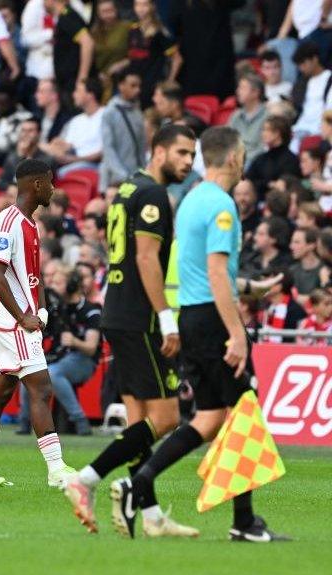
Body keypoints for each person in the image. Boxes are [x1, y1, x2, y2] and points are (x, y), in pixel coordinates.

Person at [113, 126, 289, 542]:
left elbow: (203, 269)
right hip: (213, 320)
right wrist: (237, 334)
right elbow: (214, 272)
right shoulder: (223, 206)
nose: (245, 162)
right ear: (231, 158)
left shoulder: (190, 199)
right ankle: (245, 523)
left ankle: (142, 481)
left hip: (191, 316)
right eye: (243, 155)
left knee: (210, 417)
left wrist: (250, 288)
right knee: (245, 408)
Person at [63, 124, 200, 536]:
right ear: (157, 152)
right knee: (167, 417)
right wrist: (167, 317)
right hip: (140, 318)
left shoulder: (126, 188)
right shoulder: (155, 195)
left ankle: (153, 516)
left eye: (192, 155)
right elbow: (146, 258)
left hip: (117, 311)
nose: (187, 162)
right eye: (180, 153)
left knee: (138, 419)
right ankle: (85, 478)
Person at [0, 158, 76, 489]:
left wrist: (41, 310)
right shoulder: (8, 222)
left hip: (18, 321)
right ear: (36, 185)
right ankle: (56, 470)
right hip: (12, 323)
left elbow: (32, 276)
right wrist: (23, 316)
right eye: (50, 182)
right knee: (41, 388)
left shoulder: (29, 223)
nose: (54, 188)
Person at [18, 267, 100, 436]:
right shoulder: (56, 308)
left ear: (71, 286)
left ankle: (80, 420)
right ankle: (25, 422)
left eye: (58, 283)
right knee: (30, 371)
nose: (52, 286)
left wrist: (75, 341)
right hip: (60, 357)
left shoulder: (91, 310)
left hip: (83, 360)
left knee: (53, 374)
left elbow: (91, 348)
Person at [100, 68, 145, 193]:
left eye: (139, 86)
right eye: (133, 85)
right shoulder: (110, 112)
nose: (137, 90)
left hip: (135, 176)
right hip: (115, 179)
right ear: (121, 86)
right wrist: (122, 174)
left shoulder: (137, 111)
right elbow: (108, 148)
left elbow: (141, 146)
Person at [44, 0, 94, 100]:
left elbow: (87, 42)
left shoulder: (67, 16)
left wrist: (82, 80)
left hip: (74, 85)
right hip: (67, 83)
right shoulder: (63, 18)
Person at [246, 116, 300, 199]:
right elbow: (248, 180)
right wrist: (269, 184)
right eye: (263, 130)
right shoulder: (260, 159)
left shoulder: (291, 160)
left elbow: (286, 184)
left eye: (267, 130)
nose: (263, 133)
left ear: (278, 133)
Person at [290, 42, 332, 140]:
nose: (301, 68)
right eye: (299, 65)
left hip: (319, 130)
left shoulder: (329, 79)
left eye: (303, 63)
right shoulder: (302, 83)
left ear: (314, 59)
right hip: (300, 127)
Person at [228, 75, 269, 166]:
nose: (238, 91)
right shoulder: (235, 115)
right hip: (234, 159)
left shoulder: (268, 116)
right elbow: (228, 140)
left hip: (255, 161)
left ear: (255, 93)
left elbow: (264, 147)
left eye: (242, 88)